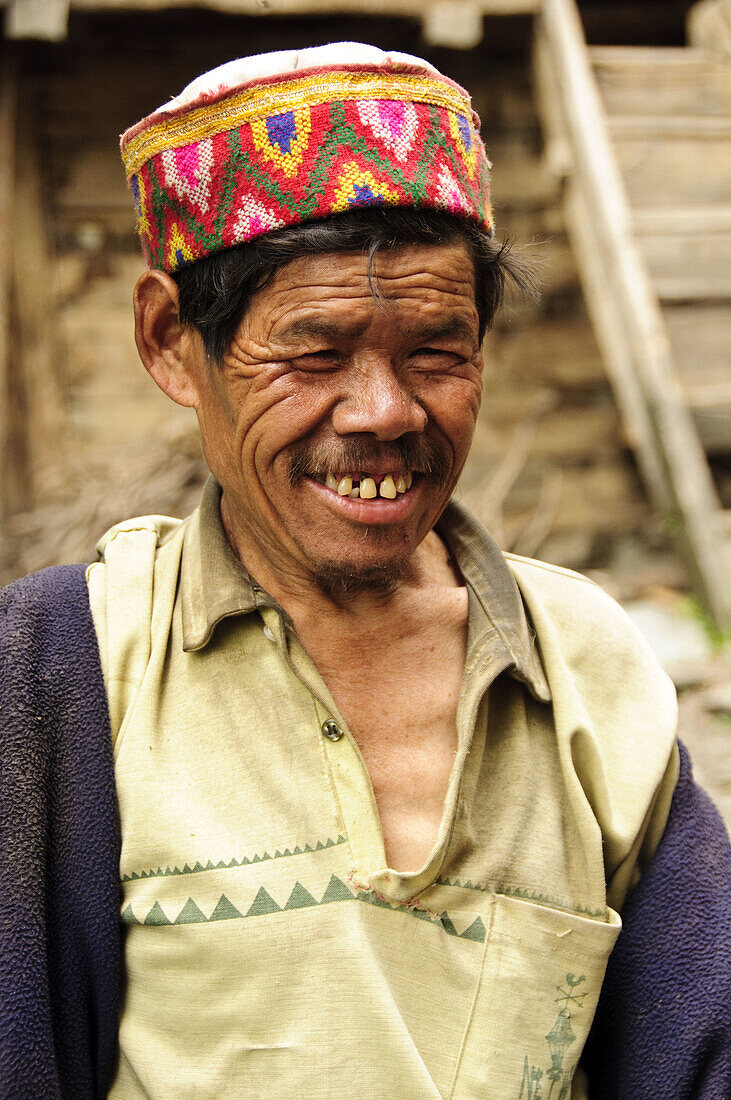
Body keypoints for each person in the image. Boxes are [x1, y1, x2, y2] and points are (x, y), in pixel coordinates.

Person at [0, 43, 728, 1100]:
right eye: (314, 351)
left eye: (437, 349)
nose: (385, 411)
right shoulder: (64, 671)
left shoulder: (582, 663)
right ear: (171, 341)